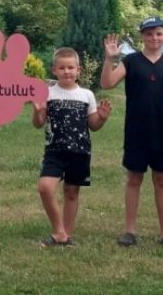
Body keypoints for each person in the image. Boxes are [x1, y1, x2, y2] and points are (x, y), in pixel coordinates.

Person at [101, 17, 163, 248]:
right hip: (136, 132)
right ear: (142, 36)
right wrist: (109, 59)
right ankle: (129, 231)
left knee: (162, 180)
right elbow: (108, 83)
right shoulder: (130, 61)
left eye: (158, 33)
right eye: (149, 34)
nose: (154, 38)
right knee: (134, 179)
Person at [31, 47, 112, 248]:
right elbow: (39, 123)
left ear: (78, 71)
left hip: (80, 153)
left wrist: (101, 117)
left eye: (70, 68)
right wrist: (37, 110)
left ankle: (66, 234)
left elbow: (93, 125)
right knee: (45, 188)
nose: (66, 71)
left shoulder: (87, 95)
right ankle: (59, 231)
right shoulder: (48, 94)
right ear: (54, 70)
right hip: (54, 152)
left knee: (71, 192)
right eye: (62, 68)